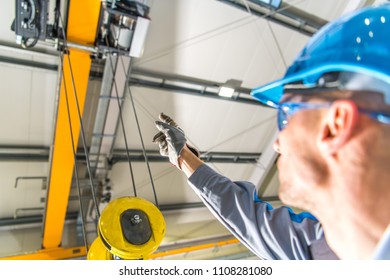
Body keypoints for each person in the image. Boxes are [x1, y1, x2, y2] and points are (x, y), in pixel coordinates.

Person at [153, 4, 390, 260]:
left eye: (286, 114)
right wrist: (183, 156)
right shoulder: (321, 249)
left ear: (335, 126)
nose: (277, 143)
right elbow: (248, 218)